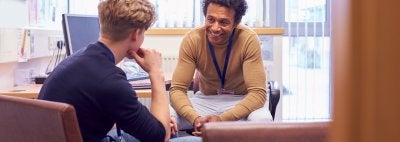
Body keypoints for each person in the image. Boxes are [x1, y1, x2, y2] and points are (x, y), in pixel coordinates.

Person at [38, 0, 201, 142]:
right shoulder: (110, 81)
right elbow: (160, 136)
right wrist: (156, 72)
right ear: (136, 34)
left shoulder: (77, 59)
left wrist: (157, 123)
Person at [169, 0, 272, 136]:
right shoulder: (192, 39)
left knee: (263, 121)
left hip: (243, 99)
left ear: (236, 23)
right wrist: (195, 119)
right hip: (206, 100)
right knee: (166, 117)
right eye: (210, 19)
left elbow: (258, 94)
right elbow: (177, 89)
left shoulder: (248, 39)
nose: (215, 28)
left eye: (223, 22)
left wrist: (221, 120)